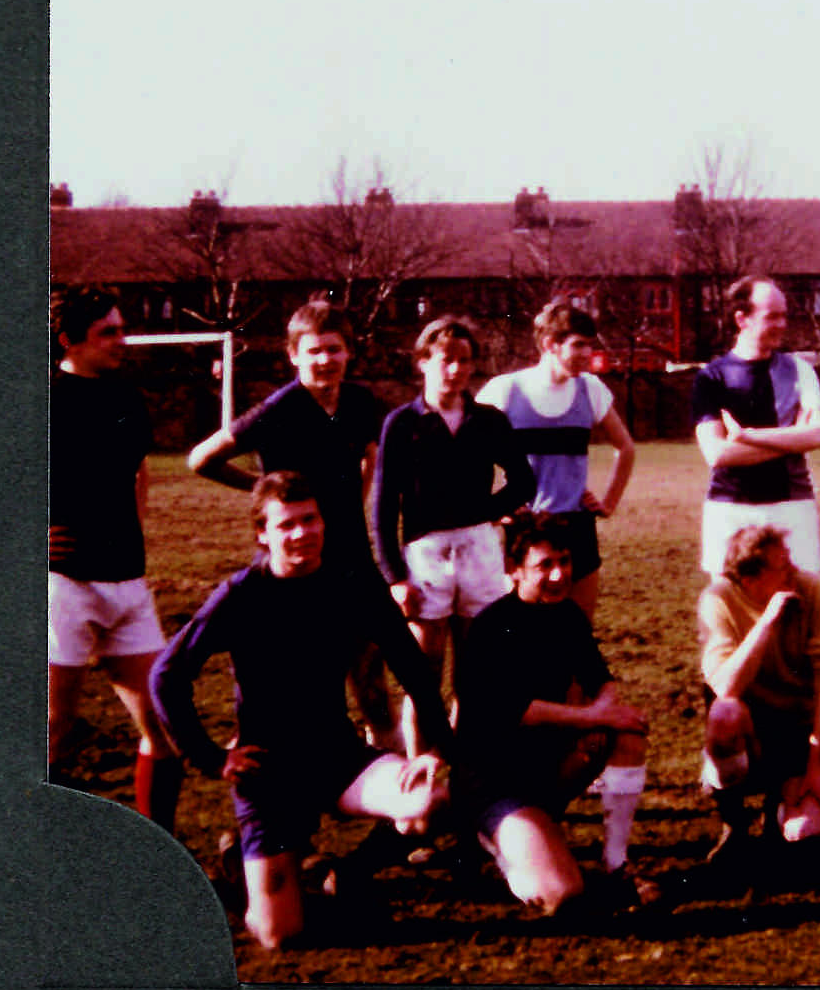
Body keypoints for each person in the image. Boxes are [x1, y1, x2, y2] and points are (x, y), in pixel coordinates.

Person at [150, 472, 454, 951]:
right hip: (267, 771)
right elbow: (166, 676)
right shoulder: (241, 595)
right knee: (279, 935)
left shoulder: (352, 583)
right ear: (263, 534)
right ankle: (251, 870)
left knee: (427, 801)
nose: (302, 533)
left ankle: (349, 873)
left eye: (310, 520)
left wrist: (434, 749)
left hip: (337, 757)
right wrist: (211, 757)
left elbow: (412, 667)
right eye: (287, 524)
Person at [188, 298, 397, 747]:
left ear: (349, 352)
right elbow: (200, 459)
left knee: (372, 686)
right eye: (314, 351)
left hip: (351, 560)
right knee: (287, 687)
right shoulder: (277, 410)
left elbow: (370, 456)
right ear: (294, 355)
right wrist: (265, 493)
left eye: (334, 349)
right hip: (292, 568)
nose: (325, 360)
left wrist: (352, 502)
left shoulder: (359, 401)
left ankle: (384, 772)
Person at [453, 511, 654, 915]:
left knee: (627, 735)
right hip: (491, 779)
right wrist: (597, 717)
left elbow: (600, 677)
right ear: (514, 571)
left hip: (545, 764)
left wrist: (605, 708)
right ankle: (494, 838)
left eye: (564, 561)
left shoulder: (568, 615)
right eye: (545, 565)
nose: (559, 575)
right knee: (561, 894)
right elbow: (519, 712)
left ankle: (615, 864)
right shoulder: (492, 627)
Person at [48, 285, 182, 832]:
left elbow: (138, 472)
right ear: (68, 340)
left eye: (122, 329)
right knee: (51, 728)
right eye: (108, 332)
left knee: (163, 725)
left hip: (127, 584)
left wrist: (133, 536)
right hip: (62, 585)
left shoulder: (127, 398)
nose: (122, 340)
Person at [371, 315, 537, 755]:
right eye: (446, 360)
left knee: (476, 666)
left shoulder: (488, 420)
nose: (456, 370)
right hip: (425, 553)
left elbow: (524, 481)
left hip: (479, 547)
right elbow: (383, 507)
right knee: (423, 671)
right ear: (423, 362)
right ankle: (420, 766)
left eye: (464, 360)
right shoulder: (402, 424)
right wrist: (395, 577)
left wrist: (483, 512)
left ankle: (465, 764)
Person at [476, 301, 636, 619]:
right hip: (526, 528)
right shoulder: (505, 390)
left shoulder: (591, 388)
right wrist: (493, 508)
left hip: (577, 525)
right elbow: (468, 453)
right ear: (550, 344)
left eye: (590, 345)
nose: (587, 353)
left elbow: (626, 448)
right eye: (578, 345)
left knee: (578, 631)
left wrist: (608, 503)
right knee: (525, 632)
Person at [697, 524, 820, 865]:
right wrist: (767, 621)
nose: (794, 570)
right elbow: (726, 687)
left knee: (805, 833)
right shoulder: (718, 600)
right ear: (749, 580)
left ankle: (780, 804)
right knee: (724, 714)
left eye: (790, 560)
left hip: (800, 734)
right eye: (782, 566)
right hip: (752, 732)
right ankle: (734, 824)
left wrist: (817, 765)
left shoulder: (812, 589)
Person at [693, 277, 820, 577]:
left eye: (784, 316)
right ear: (741, 319)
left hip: (792, 505)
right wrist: (794, 439)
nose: (782, 324)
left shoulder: (800, 370)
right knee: (729, 601)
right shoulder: (711, 378)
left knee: (802, 598)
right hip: (731, 508)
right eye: (772, 316)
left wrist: (747, 436)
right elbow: (717, 454)